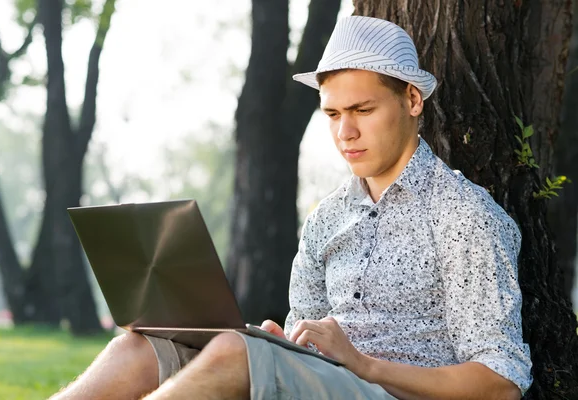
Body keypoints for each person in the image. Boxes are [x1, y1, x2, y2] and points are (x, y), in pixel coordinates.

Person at [51, 16, 532, 400]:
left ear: (411, 100)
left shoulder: (463, 214)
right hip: (323, 382)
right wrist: (283, 343)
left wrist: (363, 364)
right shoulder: (328, 218)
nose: (345, 132)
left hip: (388, 391)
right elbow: (309, 334)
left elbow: (500, 382)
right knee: (138, 350)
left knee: (232, 353)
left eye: (363, 111)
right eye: (333, 114)